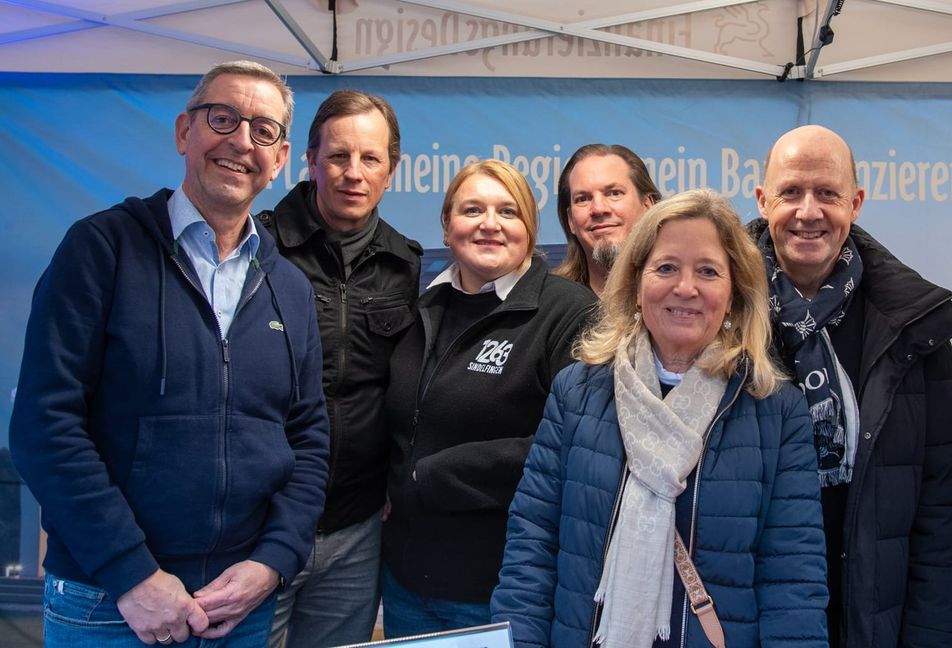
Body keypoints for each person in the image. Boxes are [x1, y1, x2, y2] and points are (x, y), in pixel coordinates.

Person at [9, 60, 329, 646]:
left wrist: (273, 561)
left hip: (240, 607)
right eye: (223, 118)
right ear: (185, 132)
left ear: (280, 160)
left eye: (263, 130)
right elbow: (43, 425)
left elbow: (308, 441)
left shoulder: (290, 288)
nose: (240, 141)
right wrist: (132, 574)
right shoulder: (100, 249)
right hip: (109, 604)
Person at [492, 188, 829, 648]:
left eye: (708, 271)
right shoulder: (577, 392)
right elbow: (531, 550)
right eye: (666, 267)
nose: (685, 288)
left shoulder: (776, 410)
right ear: (636, 284)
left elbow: (794, 582)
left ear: (733, 295)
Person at [748, 125, 952, 647]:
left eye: (827, 193)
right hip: (751, 611)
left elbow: (940, 507)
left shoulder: (917, 325)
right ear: (761, 201)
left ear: (856, 203)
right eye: (790, 193)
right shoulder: (719, 313)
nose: (808, 211)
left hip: (876, 613)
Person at [382, 160, 595, 637]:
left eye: (508, 211)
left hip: (500, 588)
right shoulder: (421, 308)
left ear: (530, 228)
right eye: (472, 209)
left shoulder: (568, 312)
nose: (489, 224)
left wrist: (430, 474)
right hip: (405, 581)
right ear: (446, 224)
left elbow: (569, 448)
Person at [258, 90, 422, 648]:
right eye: (338, 157)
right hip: (258, 525)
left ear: (391, 170)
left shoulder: (407, 264)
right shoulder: (255, 247)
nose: (354, 173)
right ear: (308, 160)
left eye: (370, 159)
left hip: (355, 531)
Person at [553, 143, 661, 295]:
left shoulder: (679, 294)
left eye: (614, 193)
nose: (598, 209)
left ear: (648, 206)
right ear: (570, 220)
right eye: (583, 198)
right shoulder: (551, 304)